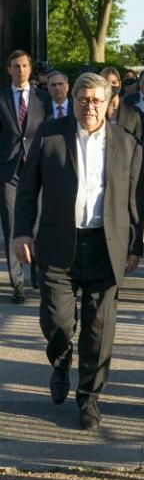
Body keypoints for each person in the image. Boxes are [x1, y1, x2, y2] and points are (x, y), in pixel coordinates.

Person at [13, 73, 144, 430]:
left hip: (105, 245)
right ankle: (60, 359)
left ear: (108, 104)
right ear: (73, 101)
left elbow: (135, 201)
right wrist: (22, 233)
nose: (89, 106)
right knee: (56, 321)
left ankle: (89, 397)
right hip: (57, 244)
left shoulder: (127, 143)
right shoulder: (51, 134)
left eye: (96, 100)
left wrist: (135, 246)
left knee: (100, 329)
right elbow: (27, 190)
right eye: (83, 99)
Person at [0, 49, 47, 303]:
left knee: (38, 224)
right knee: (11, 227)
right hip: (9, 171)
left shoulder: (43, 99)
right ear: (9, 69)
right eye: (16, 66)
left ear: (30, 69)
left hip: (36, 169)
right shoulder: (2, 99)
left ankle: (37, 275)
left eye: (24, 65)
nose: (21, 70)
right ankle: (17, 283)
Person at [100, 67, 143, 141]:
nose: (111, 86)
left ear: (119, 83)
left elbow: (139, 138)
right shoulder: (97, 109)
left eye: (114, 82)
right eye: (107, 83)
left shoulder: (133, 110)